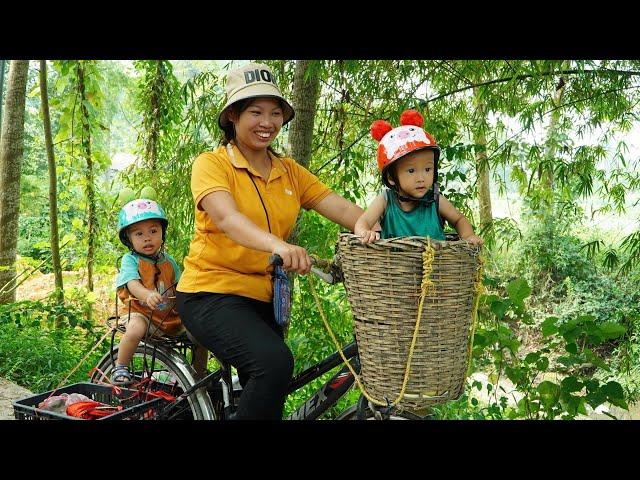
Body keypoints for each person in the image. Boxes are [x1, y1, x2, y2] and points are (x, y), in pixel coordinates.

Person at [175, 62, 367, 420]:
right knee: (275, 364)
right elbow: (227, 218)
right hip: (210, 293)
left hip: (264, 298)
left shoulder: (289, 170)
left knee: (267, 397)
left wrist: (393, 229)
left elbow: (343, 209)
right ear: (232, 115)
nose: (268, 122)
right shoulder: (211, 164)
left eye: (276, 113)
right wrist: (278, 246)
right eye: (256, 112)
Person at [354, 109, 484, 246]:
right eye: (411, 170)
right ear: (391, 177)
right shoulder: (386, 200)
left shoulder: (435, 199)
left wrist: (468, 235)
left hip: (434, 264)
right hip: (395, 266)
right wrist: (365, 233)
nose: (421, 178)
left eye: (428, 169)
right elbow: (363, 222)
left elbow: (459, 219)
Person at [112, 198, 185, 385]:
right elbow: (132, 284)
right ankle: (121, 366)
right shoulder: (131, 260)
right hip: (141, 313)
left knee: (201, 331)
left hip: (169, 316)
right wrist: (147, 294)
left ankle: (200, 373)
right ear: (128, 239)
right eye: (139, 234)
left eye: (153, 231)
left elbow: (181, 287)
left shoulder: (169, 262)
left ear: (162, 233)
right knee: (135, 329)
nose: (147, 238)